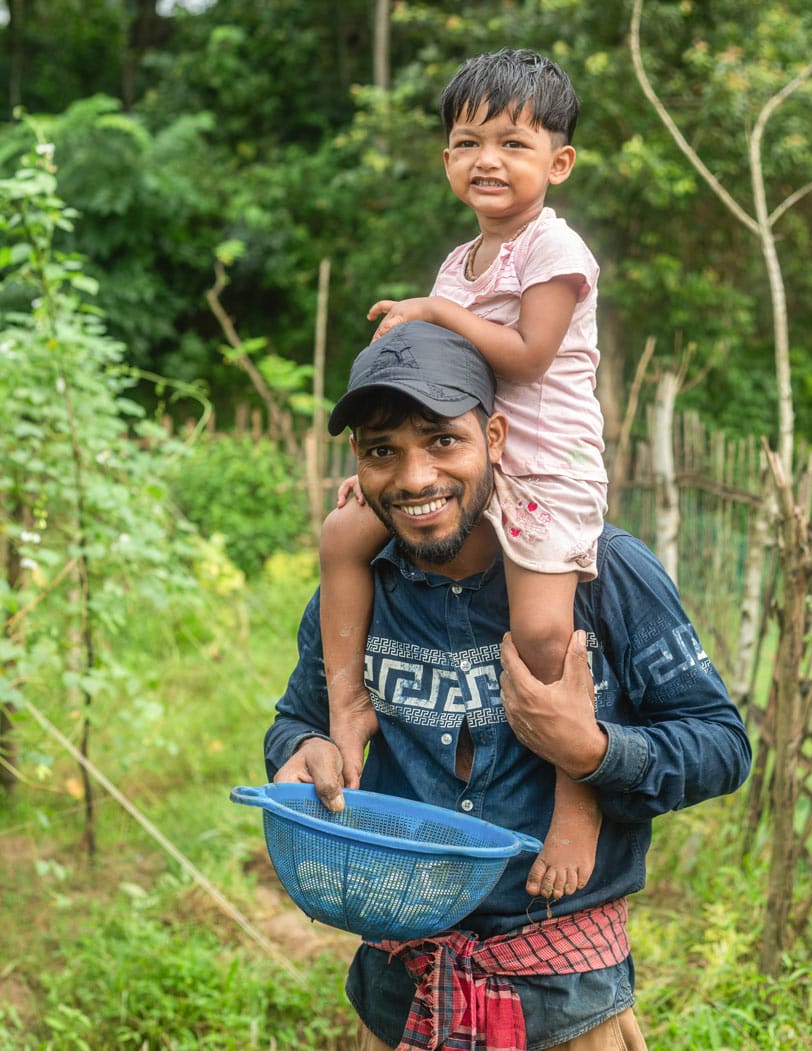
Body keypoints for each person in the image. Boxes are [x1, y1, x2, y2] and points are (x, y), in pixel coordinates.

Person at [265, 321, 752, 1051]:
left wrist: (590, 752)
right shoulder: (360, 592)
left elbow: (720, 743)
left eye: (441, 440)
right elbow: (296, 717)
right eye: (380, 452)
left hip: (563, 1008)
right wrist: (304, 748)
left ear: (493, 436)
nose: (414, 477)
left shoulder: (602, 572)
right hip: (400, 997)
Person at [320, 48, 608, 902]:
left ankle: (577, 794)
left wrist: (438, 311)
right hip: (468, 460)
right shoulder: (460, 263)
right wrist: (381, 466)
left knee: (544, 632)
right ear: (446, 158)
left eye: (514, 143)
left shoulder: (553, 248)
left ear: (556, 163)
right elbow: (426, 380)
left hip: (545, 464)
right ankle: (346, 704)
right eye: (467, 140)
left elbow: (528, 352)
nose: (487, 159)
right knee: (342, 535)